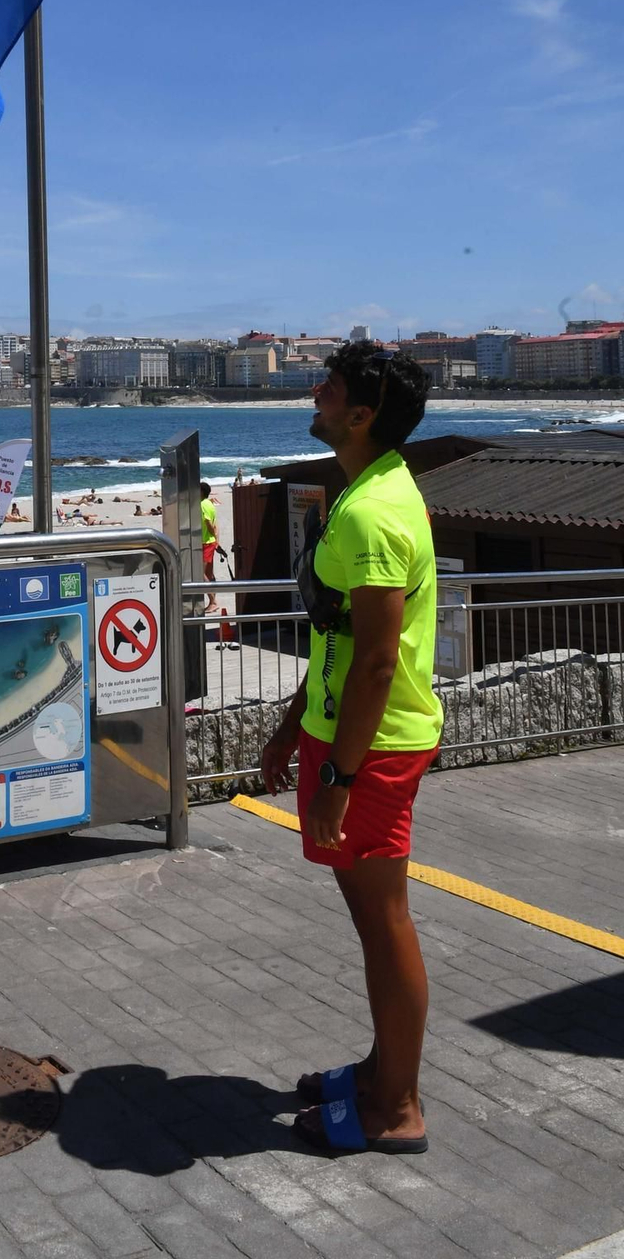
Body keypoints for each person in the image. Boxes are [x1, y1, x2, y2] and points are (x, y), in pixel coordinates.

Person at [260, 342, 440, 1156]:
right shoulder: (370, 488)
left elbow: (375, 660)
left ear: (361, 415)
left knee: (384, 920)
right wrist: (294, 723)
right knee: (371, 920)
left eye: (329, 387)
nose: (317, 392)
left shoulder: (369, 514)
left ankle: (396, 1108)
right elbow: (337, 639)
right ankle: (380, 1068)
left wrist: (338, 775)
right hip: (343, 735)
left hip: (369, 749)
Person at [200, 482, 228, 608]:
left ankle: (213, 601)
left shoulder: (201, 505)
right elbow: (216, 524)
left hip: (206, 542)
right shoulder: (210, 504)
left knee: (200, 573)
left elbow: (209, 524)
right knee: (209, 574)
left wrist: (214, 537)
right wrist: (217, 540)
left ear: (201, 492)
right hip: (210, 542)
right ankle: (213, 602)